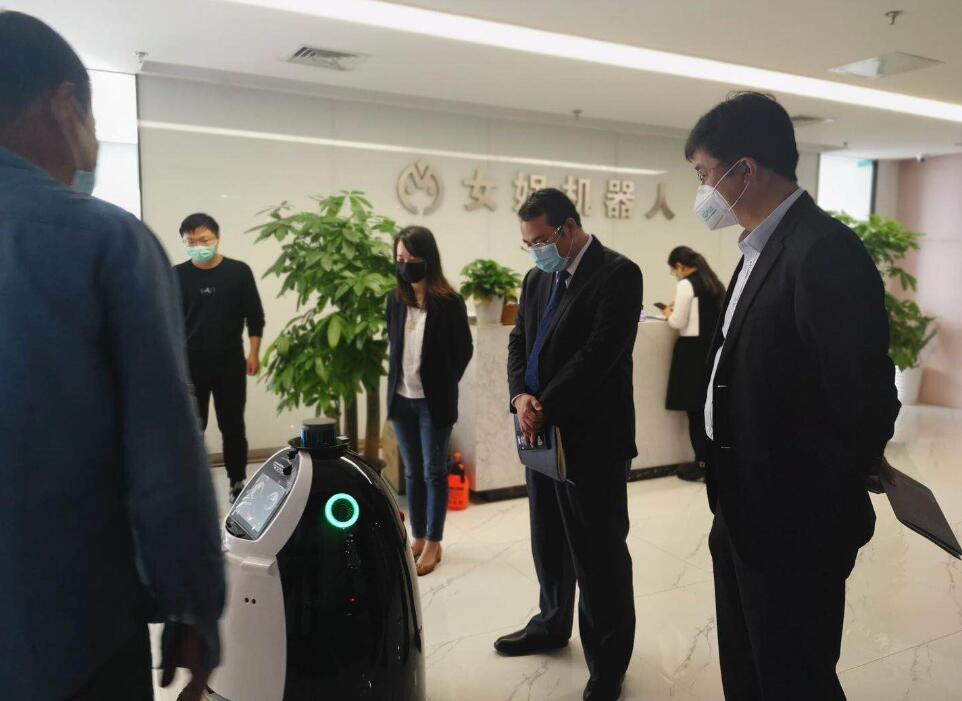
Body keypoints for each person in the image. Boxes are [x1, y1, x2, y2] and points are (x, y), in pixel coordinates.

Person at [0, 12, 224, 701]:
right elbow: (164, 452)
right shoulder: (103, 240)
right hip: (71, 635)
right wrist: (192, 605)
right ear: (65, 105)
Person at [685, 92, 899, 700]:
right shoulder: (757, 248)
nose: (703, 191)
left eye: (704, 174)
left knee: (794, 678)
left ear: (745, 170)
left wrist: (821, 497)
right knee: (748, 669)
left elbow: (865, 394)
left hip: (791, 526)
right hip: (740, 507)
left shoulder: (823, 250)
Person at [500, 188, 643, 701]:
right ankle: (552, 621)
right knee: (549, 539)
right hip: (540, 436)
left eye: (541, 240)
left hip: (592, 441)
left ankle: (608, 663)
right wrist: (520, 397)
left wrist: (544, 406)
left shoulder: (618, 274)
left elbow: (599, 355)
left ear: (569, 227)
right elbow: (518, 341)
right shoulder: (537, 278)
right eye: (528, 243)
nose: (536, 250)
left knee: (599, 555)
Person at [386, 226, 473, 576]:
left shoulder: (449, 302)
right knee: (412, 472)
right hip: (401, 399)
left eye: (411, 258)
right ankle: (419, 536)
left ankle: (434, 542)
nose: (405, 265)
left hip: (432, 403)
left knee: (433, 471)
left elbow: (463, 350)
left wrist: (443, 383)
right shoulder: (395, 300)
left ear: (428, 260)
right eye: (399, 258)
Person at [175, 213, 265, 504]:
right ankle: (193, 482)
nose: (198, 246)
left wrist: (254, 353)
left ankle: (237, 481)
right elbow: (168, 320)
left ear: (217, 238)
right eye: (191, 242)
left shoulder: (238, 272)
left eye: (204, 240)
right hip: (191, 363)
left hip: (229, 361)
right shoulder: (177, 275)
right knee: (193, 427)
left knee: (232, 425)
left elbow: (255, 316)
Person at [663, 246, 724, 482]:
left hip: (691, 354)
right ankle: (712, 462)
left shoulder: (686, 284)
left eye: (673, 271)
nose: (675, 275)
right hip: (711, 352)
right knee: (708, 409)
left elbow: (678, 322)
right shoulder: (712, 283)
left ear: (680, 266)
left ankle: (702, 463)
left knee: (695, 411)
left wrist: (668, 313)